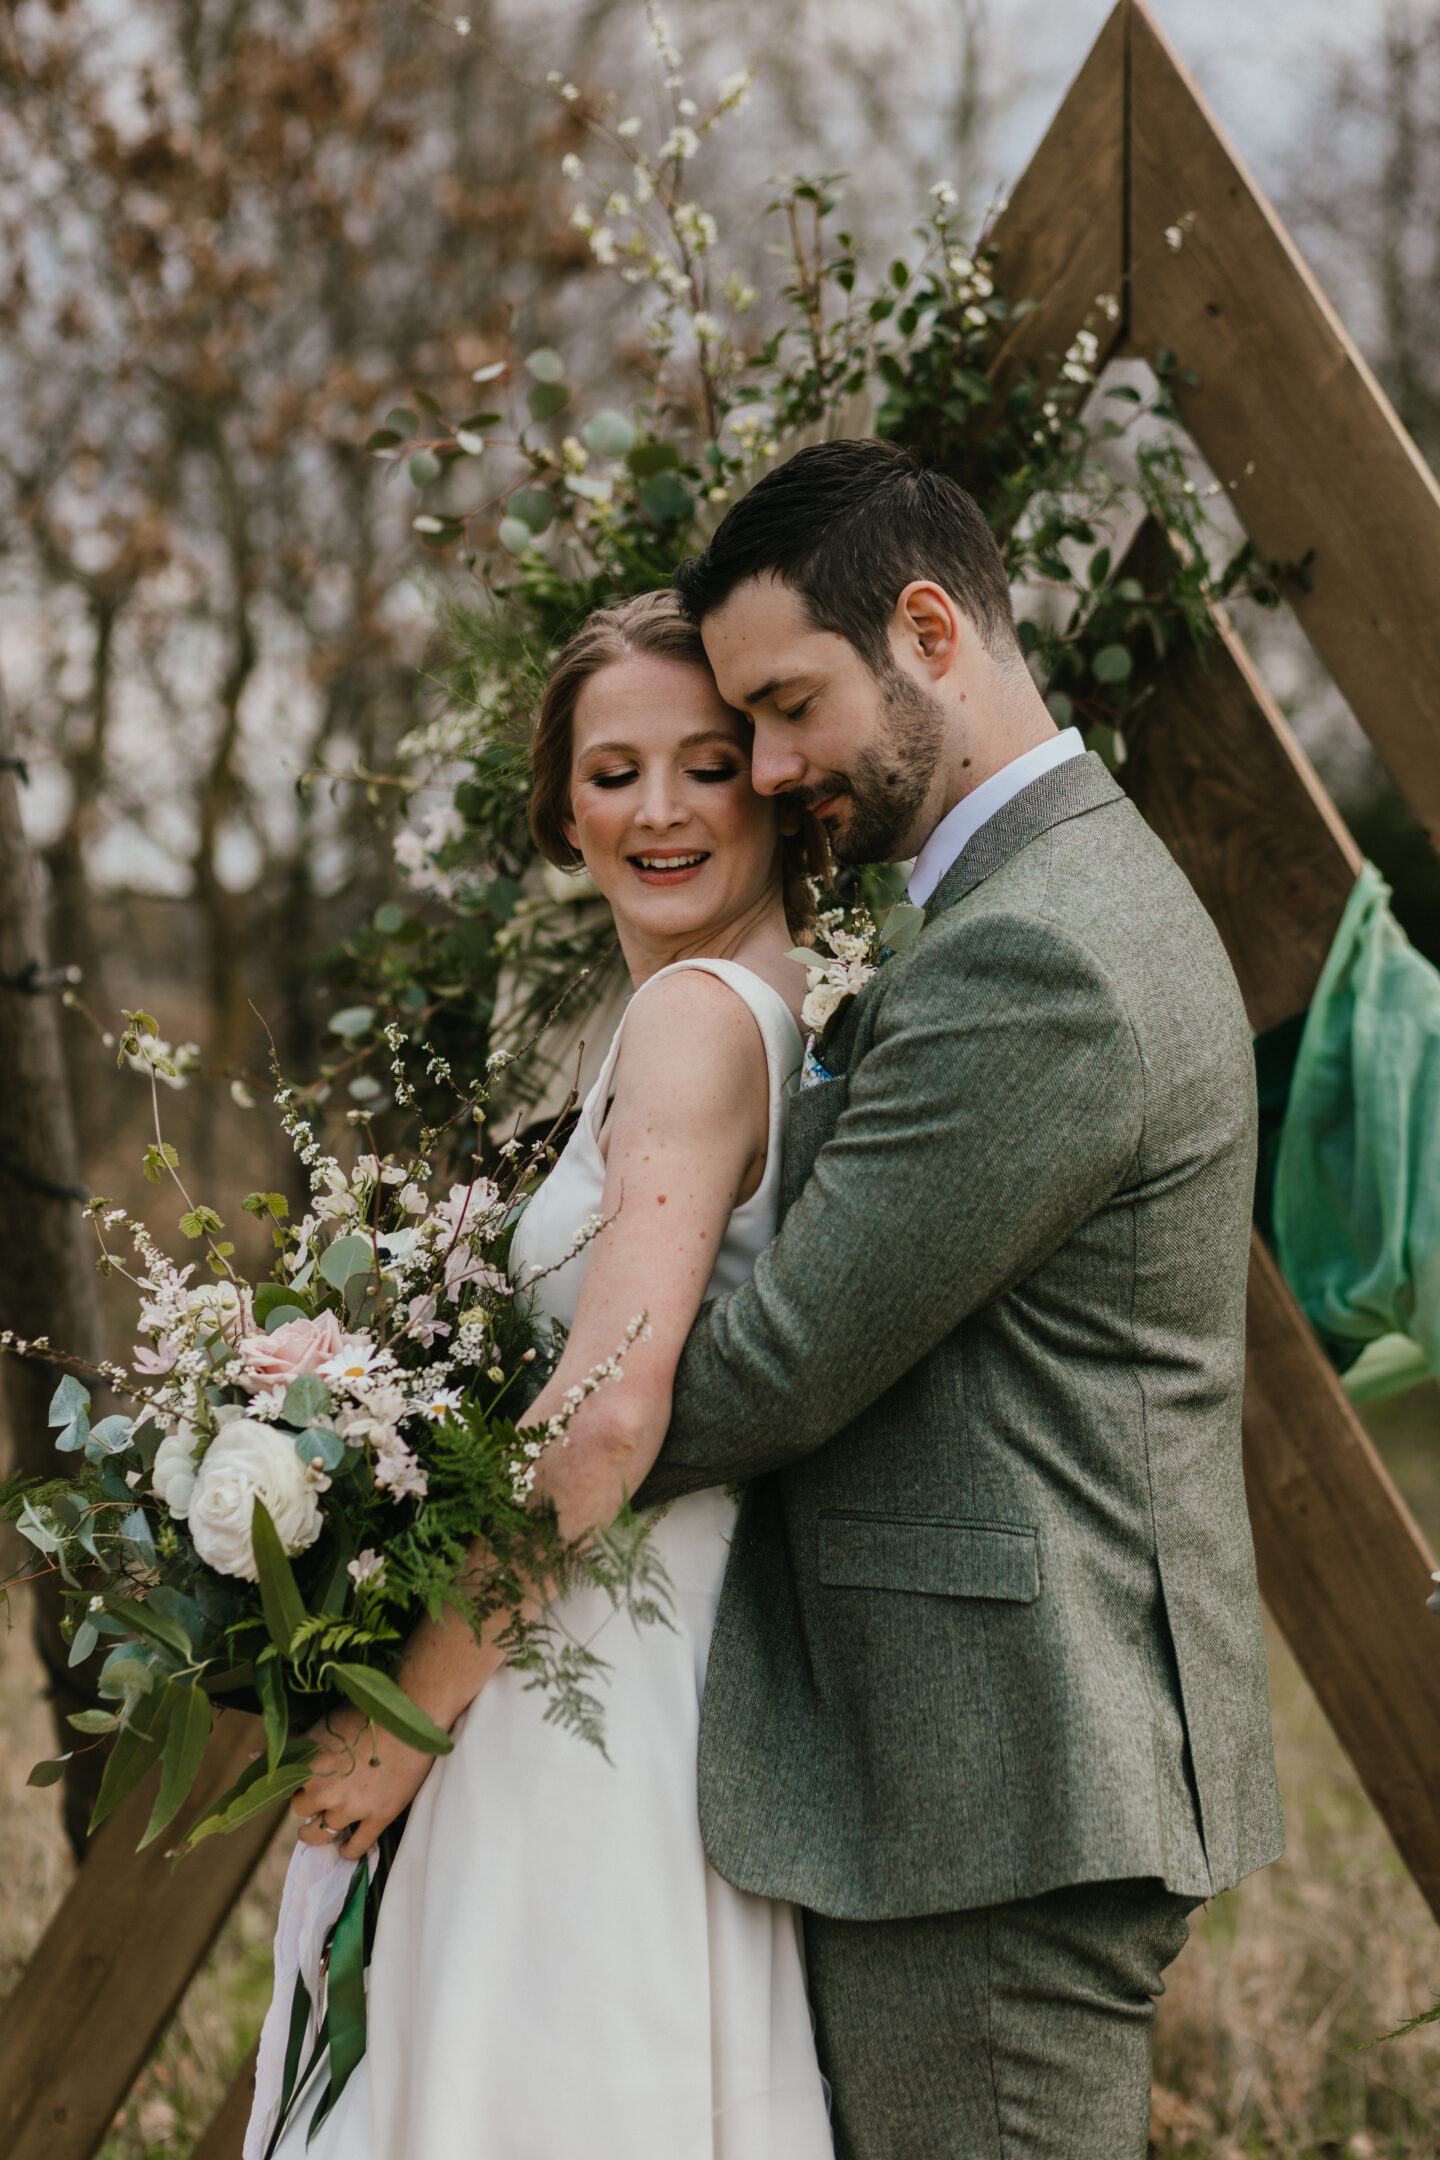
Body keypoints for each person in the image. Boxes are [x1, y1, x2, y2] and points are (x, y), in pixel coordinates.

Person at [544, 437, 1284, 2159]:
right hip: (981, 1765)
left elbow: (788, 1361)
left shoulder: (1043, 951)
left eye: (792, 709)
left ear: (932, 632)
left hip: (1005, 1784)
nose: (776, 769)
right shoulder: (1023, 901)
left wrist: (472, 1461)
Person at [249, 588, 834, 2160]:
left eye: (707, 765)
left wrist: (408, 1712)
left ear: (769, 781)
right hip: (657, 1653)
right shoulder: (754, 1000)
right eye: (612, 771)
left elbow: (607, 1416)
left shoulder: (699, 1025)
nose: (657, 811)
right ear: (558, 807)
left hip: (594, 1680)